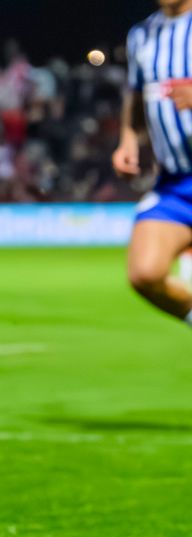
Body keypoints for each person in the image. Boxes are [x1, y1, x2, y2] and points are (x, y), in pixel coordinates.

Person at [113, 0, 192, 328]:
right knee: (145, 273)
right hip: (175, 183)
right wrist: (128, 139)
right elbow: (135, 94)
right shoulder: (142, 34)